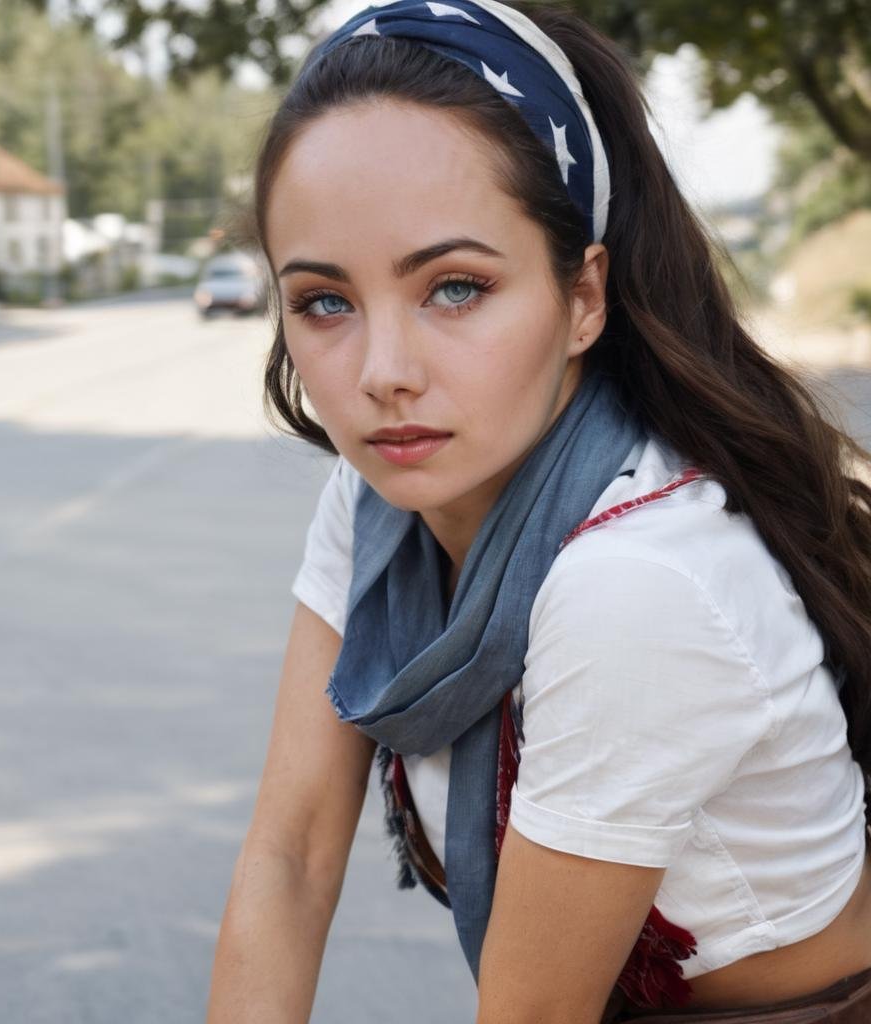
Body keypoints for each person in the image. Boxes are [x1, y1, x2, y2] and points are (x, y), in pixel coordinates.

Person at [206, 1, 871, 1020]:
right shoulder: (379, 503)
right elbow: (289, 859)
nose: (383, 375)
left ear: (585, 295)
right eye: (325, 302)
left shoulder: (635, 585)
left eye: (455, 287)